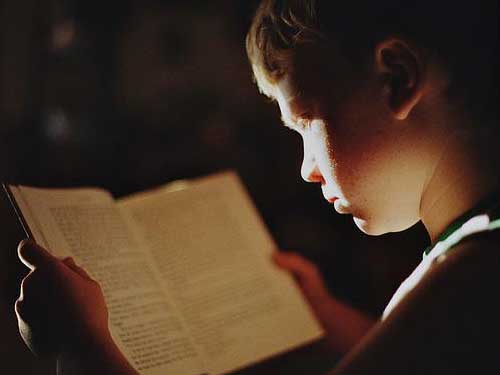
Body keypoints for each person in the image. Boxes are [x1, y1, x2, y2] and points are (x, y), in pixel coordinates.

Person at [15, 0, 499, 373]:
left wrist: (81, 347)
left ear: (398, 77)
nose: (306, 168)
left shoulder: (475, 273)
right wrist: (325, 322)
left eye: (306, 121)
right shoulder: (471, 258)